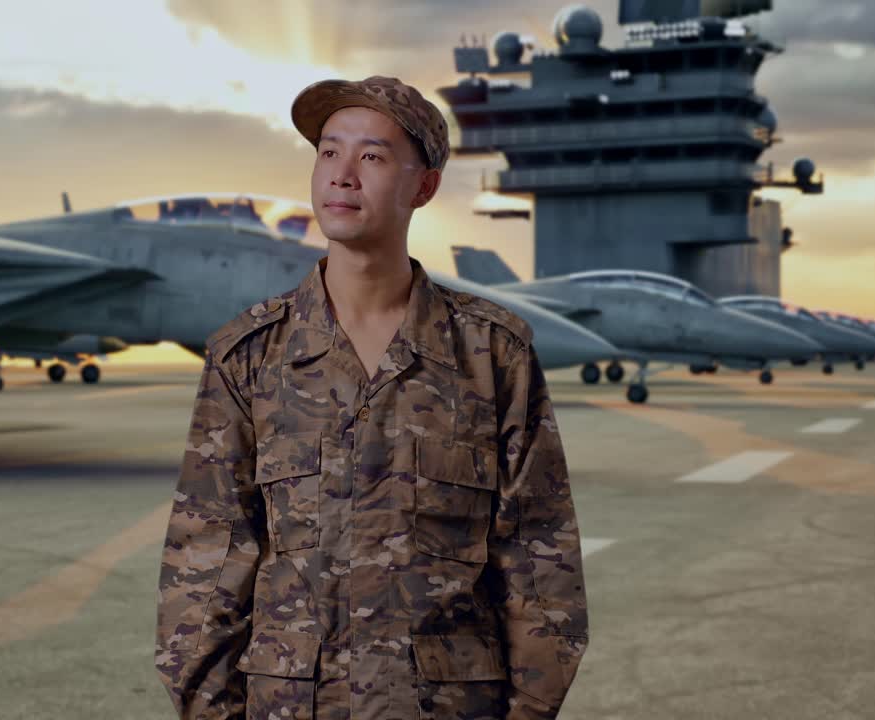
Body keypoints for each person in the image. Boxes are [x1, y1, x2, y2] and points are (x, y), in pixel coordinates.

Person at [155, 75, 588, 719]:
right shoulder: (248, 356)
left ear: (424, 185)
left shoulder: (493, 354)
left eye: (373, 156)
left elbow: (539, 563)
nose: (342, 175)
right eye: (329, 152)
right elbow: (204, 565)